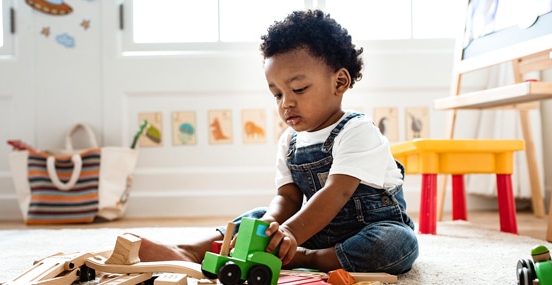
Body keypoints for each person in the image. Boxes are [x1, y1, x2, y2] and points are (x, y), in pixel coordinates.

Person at [135, 9, 419, 275]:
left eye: (298, 89)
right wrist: (270, 224)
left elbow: (337, 193)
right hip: (314, 229)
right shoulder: (290, 141)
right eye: (277, 94)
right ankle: (189, 251)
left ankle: (308, 259)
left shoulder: (357, 130)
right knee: (256, 218)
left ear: (340, 82)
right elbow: (288, 198)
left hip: (368, 228)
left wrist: (292, 234)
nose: (287, 103)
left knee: (395, 244)